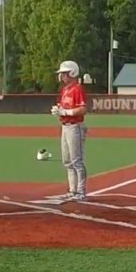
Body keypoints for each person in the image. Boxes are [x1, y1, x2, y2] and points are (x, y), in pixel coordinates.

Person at [51, 60, 88, 202]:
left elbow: (82, 108)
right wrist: (58, 110)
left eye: (64, 74)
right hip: (65, 126)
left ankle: (81, 190)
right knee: (67, 160)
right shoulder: (65, 90)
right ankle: (72, 190)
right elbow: (62, 105)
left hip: (75, 126)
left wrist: (66, 112)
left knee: (76, 160)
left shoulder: (78, 89)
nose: (61, 76)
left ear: (72, 73)